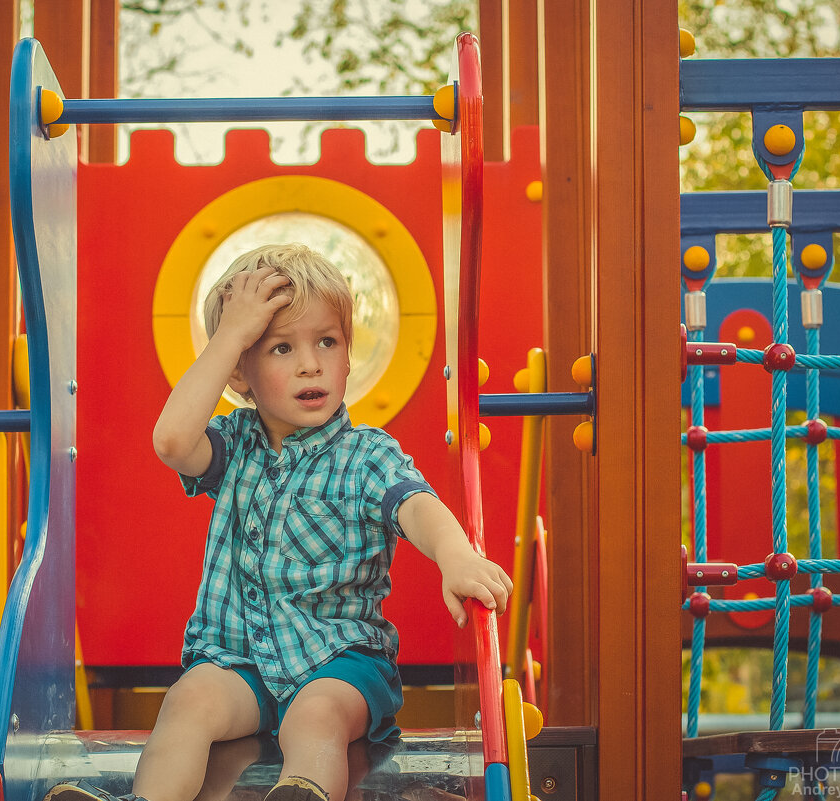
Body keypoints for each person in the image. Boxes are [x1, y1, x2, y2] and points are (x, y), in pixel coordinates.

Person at [45, 244, 512, 801]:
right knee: (189, 700)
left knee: (314, 717)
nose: (310, 363)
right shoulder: (234, 443)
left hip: (341, 662)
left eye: (327, 342)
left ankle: (305, 792)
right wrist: (230, 337)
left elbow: (416, 506)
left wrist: (456, 556)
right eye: (281, 348)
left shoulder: (365, 454)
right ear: (240, 372)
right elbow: (170, 441)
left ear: (346, 355)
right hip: (240, 662)